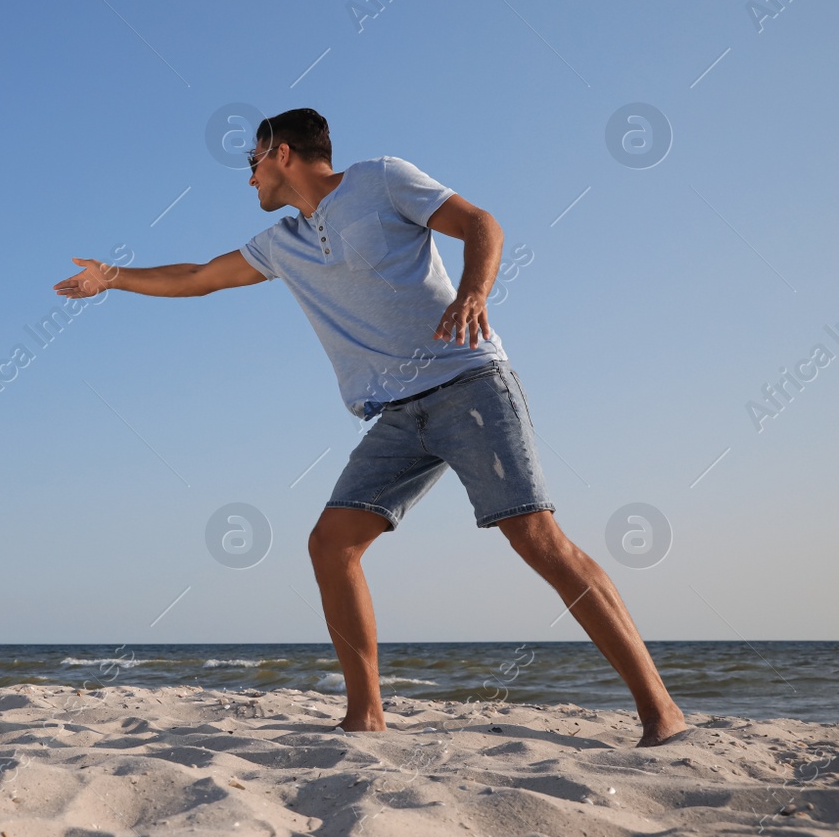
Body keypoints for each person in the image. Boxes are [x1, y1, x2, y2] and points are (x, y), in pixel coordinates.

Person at [54, 108, 688, 746]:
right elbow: (196, 279)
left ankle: (661, 712)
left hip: (467, 385)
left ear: (280, 153)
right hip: (394, 416)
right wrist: (111, 278)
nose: (247, 180)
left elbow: (479, 223)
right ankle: (366, 716)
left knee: (538, 540)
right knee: (332, 545)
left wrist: (474, 293)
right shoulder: (282, 243)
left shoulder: (382, 179)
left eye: (251, 163)